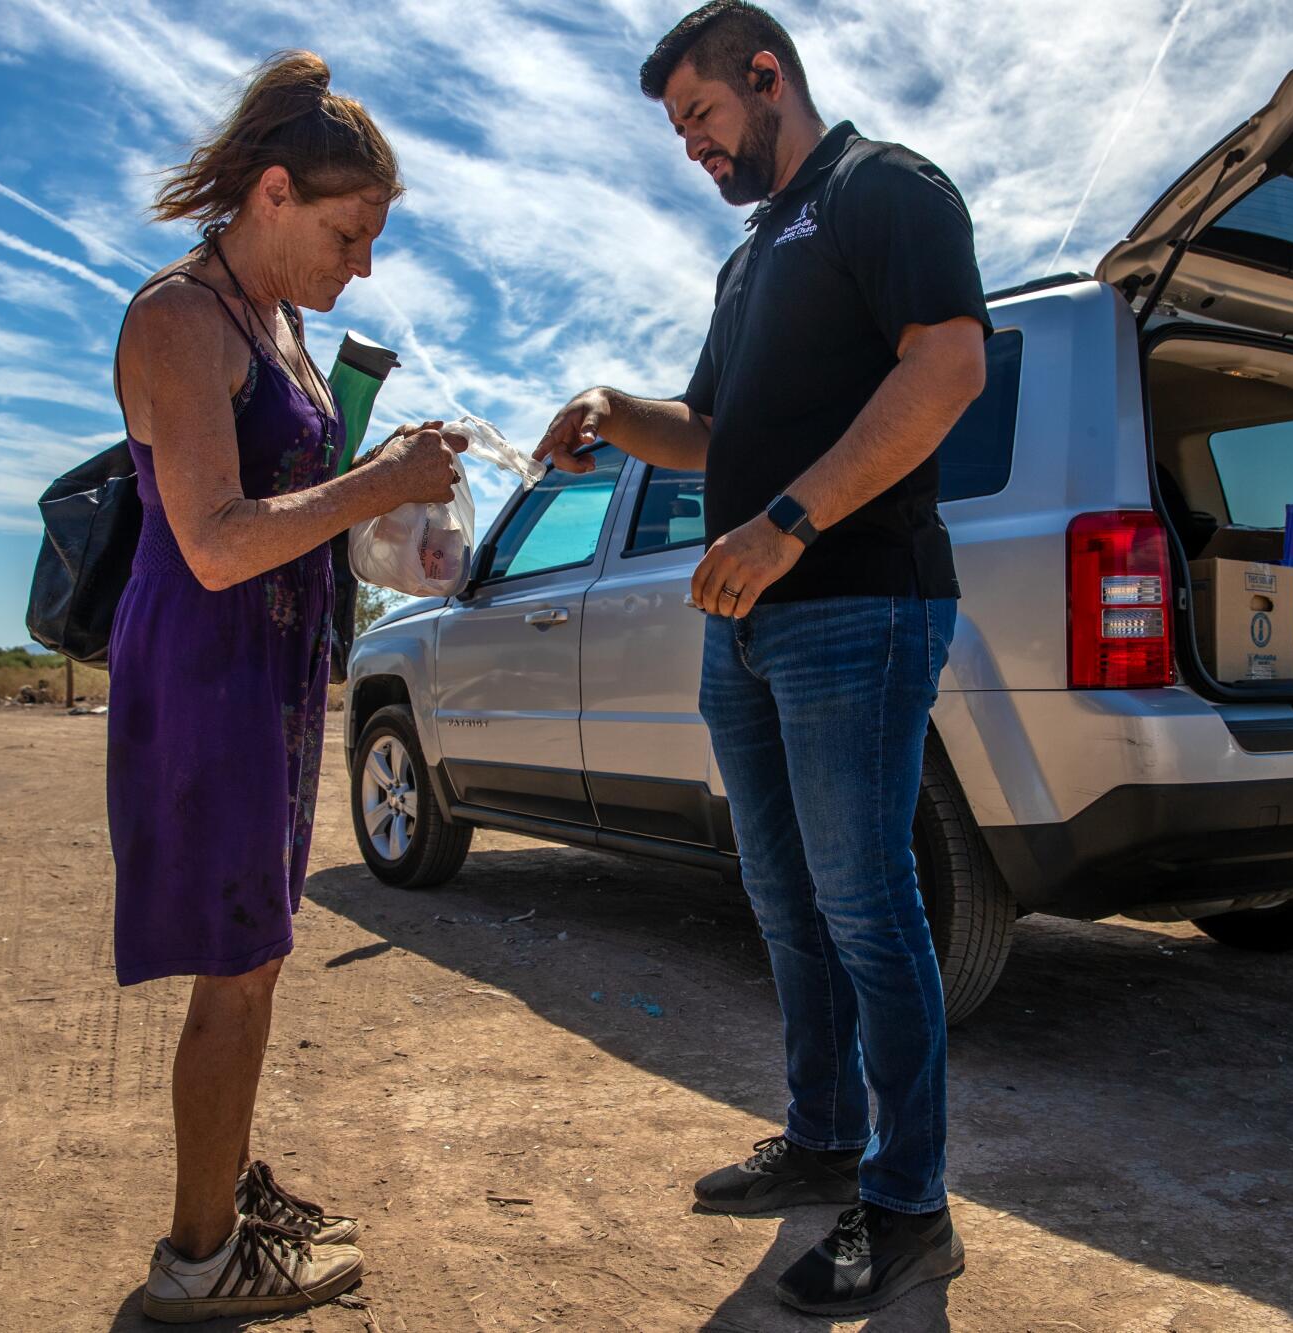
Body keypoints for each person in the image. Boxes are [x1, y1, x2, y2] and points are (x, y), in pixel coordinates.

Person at [536, 1, 991, 1318]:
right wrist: (617, 417)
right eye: (680, 127)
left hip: (857, 601)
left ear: (767, 74)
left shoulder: (883, 189)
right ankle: (825, 1135)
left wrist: (789, 522)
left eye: (701, 116)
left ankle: (911, 1210)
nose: (691, 146)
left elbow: (951, 365)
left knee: (867, 902)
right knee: (783, 895)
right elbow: (712, 424)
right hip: (748, 623)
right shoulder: (749, 261)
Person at [108, 50, 463, 1323]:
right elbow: (213, 538)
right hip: (204, 677)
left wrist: (395, 520)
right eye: (347, 232)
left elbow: (301, 508)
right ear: (271, 193)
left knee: (255, 949)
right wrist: (380, 485)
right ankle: (200, 1259)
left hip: (266, 671)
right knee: (234, 958)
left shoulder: (281, 327)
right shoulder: (177, 319)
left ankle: (229, 1192)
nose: (359, 263)